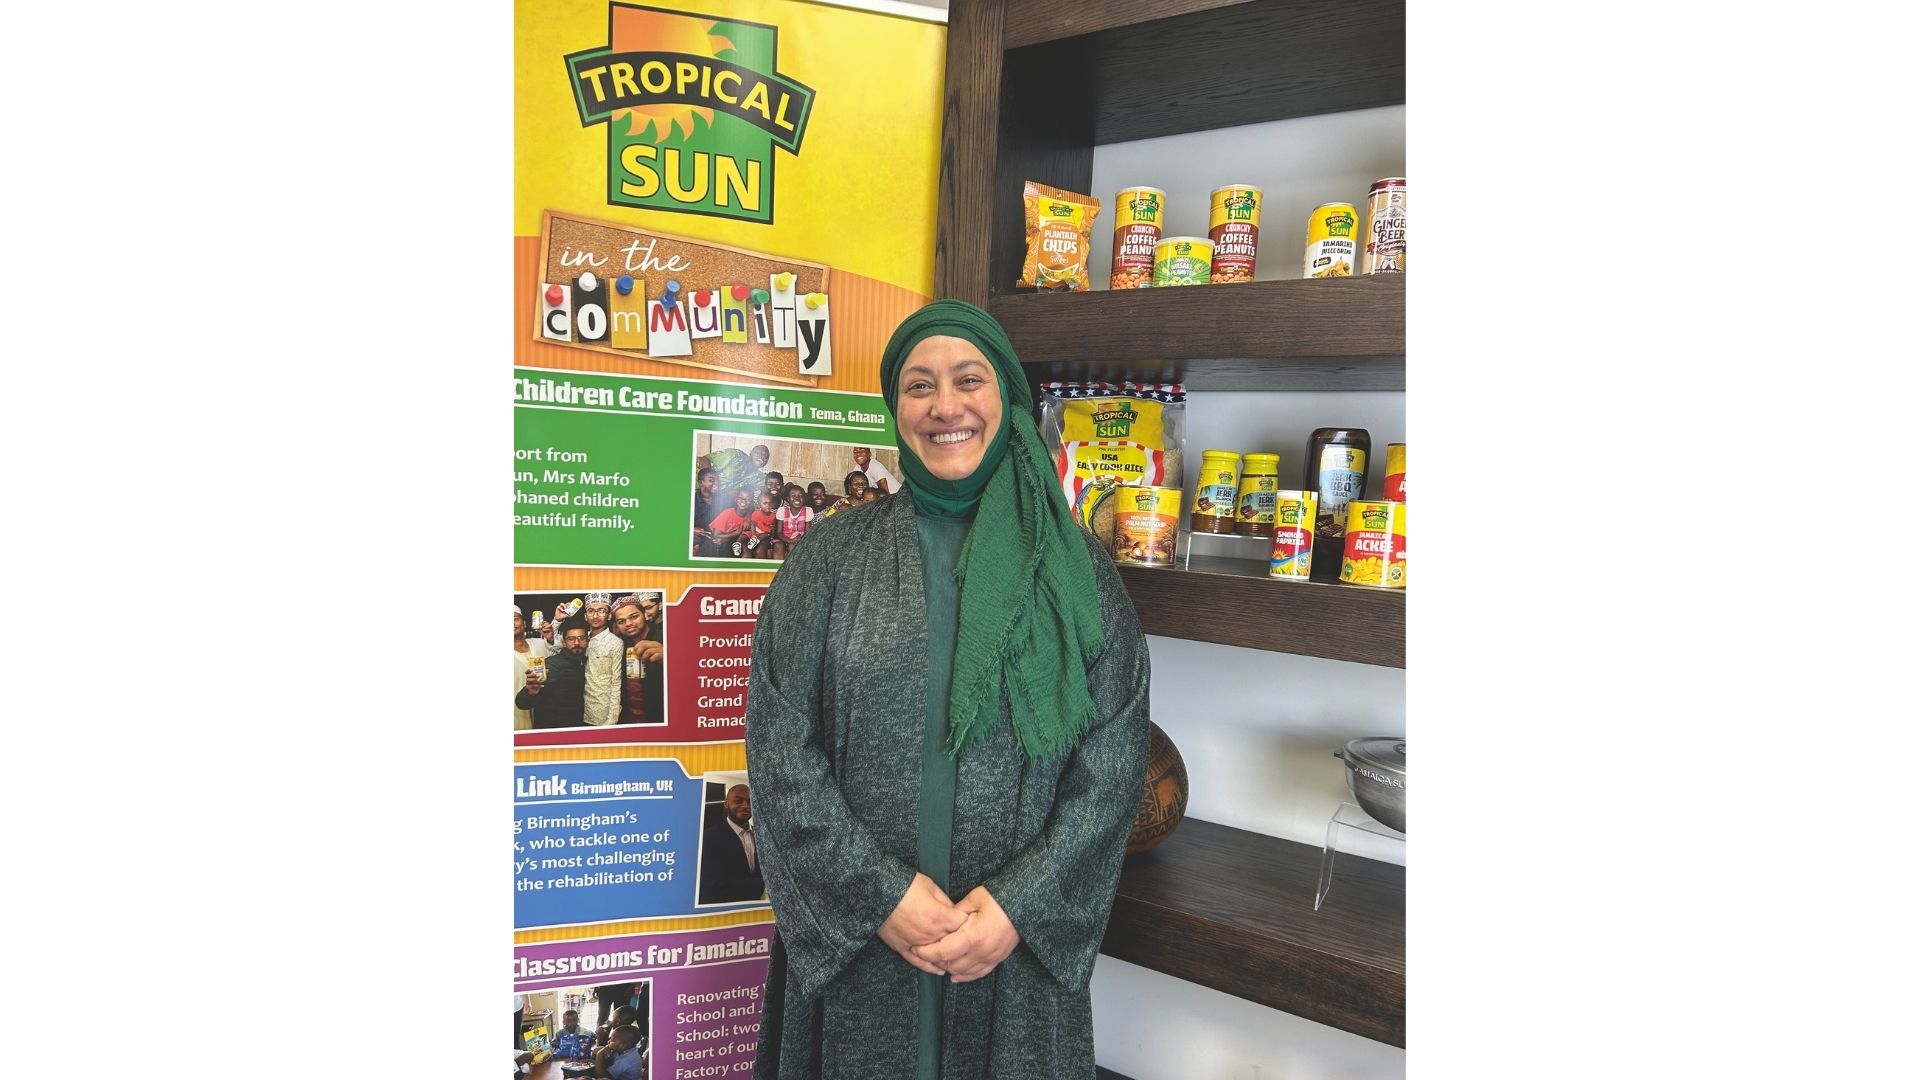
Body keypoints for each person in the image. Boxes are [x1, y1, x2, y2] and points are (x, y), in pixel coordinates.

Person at [743, 300, 1150, 1079]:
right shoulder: (829, 557)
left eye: (969, 380)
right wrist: (878, 896)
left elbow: (1114, 758)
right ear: (897, 410)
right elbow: (779, 743)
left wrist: (1021, 905)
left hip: (1008, 951)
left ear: (1007, 399)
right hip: (864, 945)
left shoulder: (1076, 569)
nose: (945, 406)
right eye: (920, 386)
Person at [598, 593, 662, 726]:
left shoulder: (665, 637)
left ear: (644, 614)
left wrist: (672, 659)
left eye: (634, 616)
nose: (628, 624)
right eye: (621, 621)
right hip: (628, 720)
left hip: (657, 720)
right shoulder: (619, 645)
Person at [698, 783, 765, 903]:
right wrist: (764, 884)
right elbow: (714, 887)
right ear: (726, 804)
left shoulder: (762, 835)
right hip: (726, 909)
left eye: (750, 802)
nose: (746, 806)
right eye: (738, 801)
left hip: (757, 909)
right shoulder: (709, 837)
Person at [517, 619, 589, 729]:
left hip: (575, 728)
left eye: (582, 638)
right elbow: (521, 703)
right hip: (552, 731)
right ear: (564, 643)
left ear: (588, 641)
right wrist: (529, 692)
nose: (577, 643)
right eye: (571, 639)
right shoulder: (552, 665)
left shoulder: (585, 662)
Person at [511, 607, 549, 731]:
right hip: (516, 714)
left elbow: (558, 649)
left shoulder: (540, 643)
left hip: (542, 712)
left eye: (515, 619)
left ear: (525, 623)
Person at [706, 489, 755, 558]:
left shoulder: (752, 515)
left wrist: (749, 515)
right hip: (723, 543)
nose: (743, 501)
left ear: (751, 502)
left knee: (746, 549)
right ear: (736, 499)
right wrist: (735, 533)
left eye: (748, 499)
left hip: (735, 541)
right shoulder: (727, 513)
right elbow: (716, 535)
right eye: (740, 498)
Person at [775, 484, 813, 552]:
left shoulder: (807, 511)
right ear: (788, 499)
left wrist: (799, 540)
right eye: (793, 496)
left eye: (800, 496)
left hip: (799, 539)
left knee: (792, 545)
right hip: (784, 538)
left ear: (804, 499)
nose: (797, 498)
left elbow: (807, 532)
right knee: (778, 546)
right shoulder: (782, 510)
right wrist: (788, 540)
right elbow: (779, 532)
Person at [747, 491, 781, 559]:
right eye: (765, 503)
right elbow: (753, 524)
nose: (768, 505)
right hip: (756, 533)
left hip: (767, 535)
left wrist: (773, 528)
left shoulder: (774, 515)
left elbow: (773, 529)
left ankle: (756, 541)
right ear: (759, 505)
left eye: (770, 503)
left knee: (765, 537)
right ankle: (754, 541)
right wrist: (754, 535)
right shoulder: (756, 513)